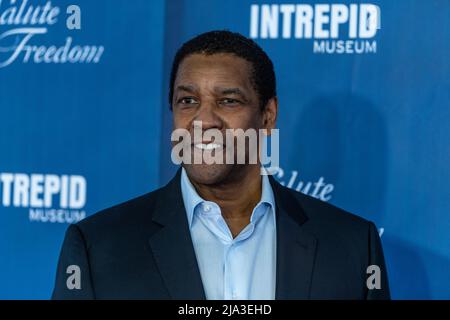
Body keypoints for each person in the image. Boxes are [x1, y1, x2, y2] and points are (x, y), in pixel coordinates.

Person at [52, 30, 390, 300]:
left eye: (228, 101)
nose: (204, 120)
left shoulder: (353, 246)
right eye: (188, 101)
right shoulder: (98, 247)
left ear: (268, 115)